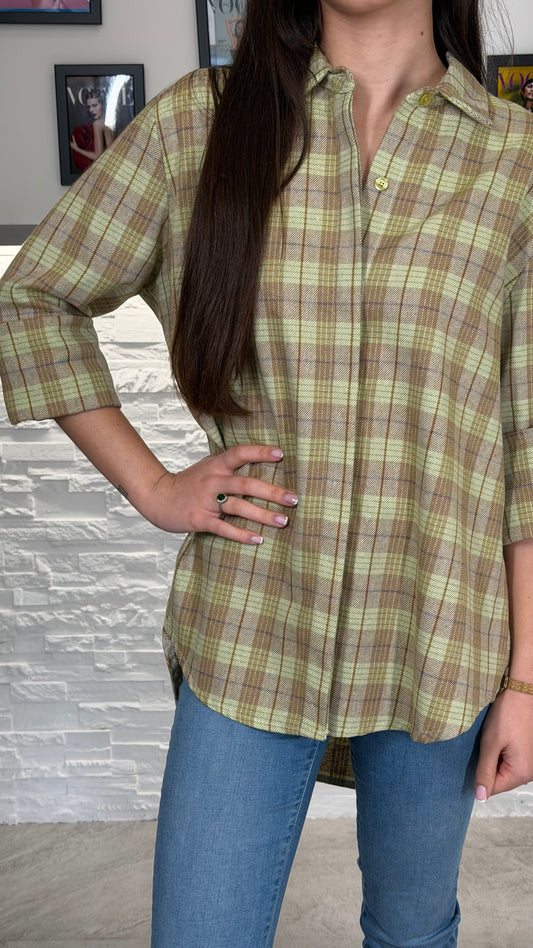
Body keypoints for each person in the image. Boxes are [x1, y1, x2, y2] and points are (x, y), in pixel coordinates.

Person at [1, 0, 533, 945]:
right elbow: (33, 299)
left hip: (437, 632)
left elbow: (526, 441)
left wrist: (526, 681)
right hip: (252, 624)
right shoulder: (200, 124)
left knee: (412, 931)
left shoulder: (513, 159)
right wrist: (153, 487)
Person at [69, 87, 115, 173]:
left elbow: (98, 156)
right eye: (89, 107)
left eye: (94, 106)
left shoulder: (98, 124)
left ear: (103, 105)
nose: (91, 110)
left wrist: (77, 149)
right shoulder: (111, 121)